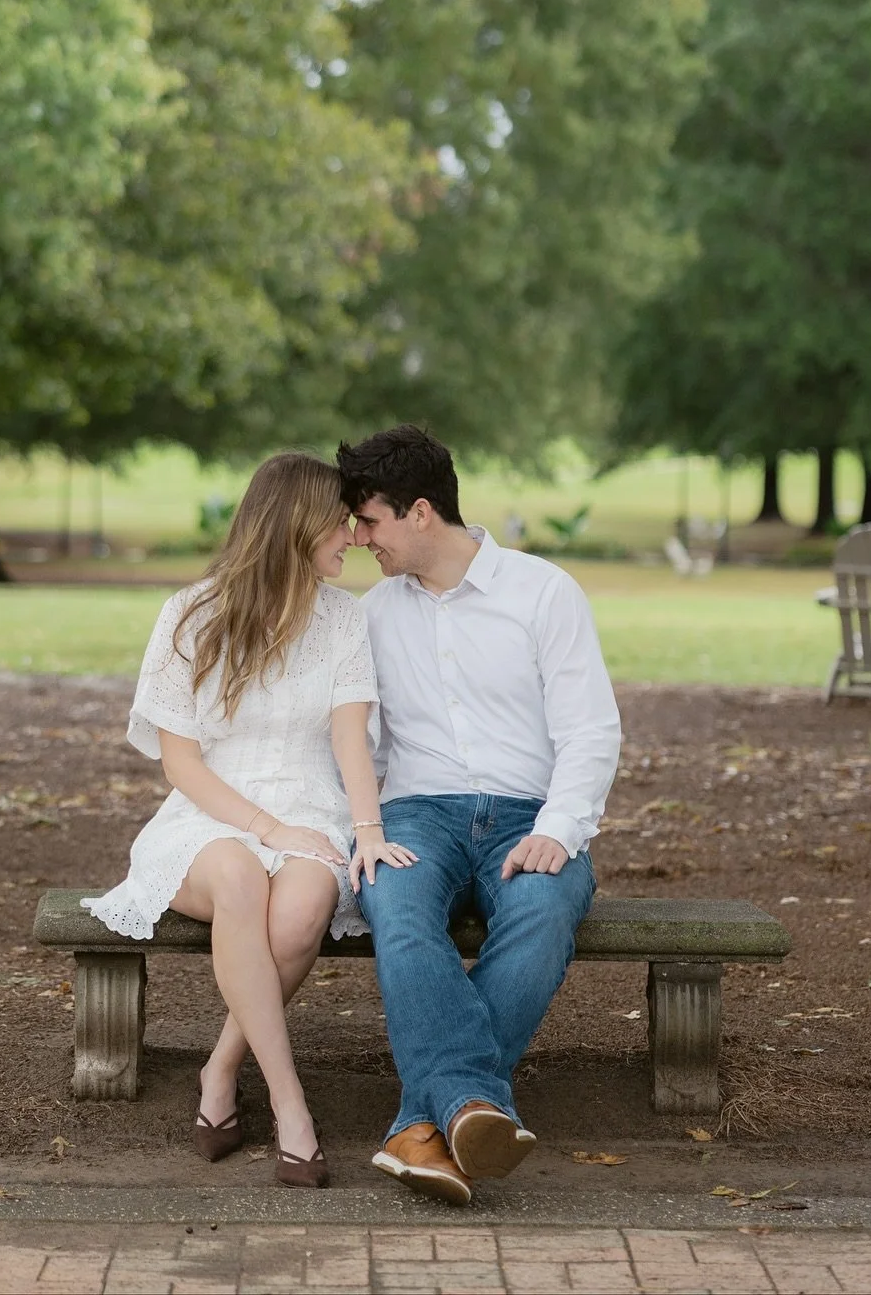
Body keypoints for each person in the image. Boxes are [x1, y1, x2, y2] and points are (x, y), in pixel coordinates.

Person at [84, 452, 413, 1188]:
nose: (354, 537)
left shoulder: (342, 620)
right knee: (238, 877)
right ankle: (292, 1105)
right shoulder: (191, 615)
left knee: (300, 913)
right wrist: (268, 829)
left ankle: (221, 1071)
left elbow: (349, 740)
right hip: (208, 817)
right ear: (298, 526)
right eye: (341, 522)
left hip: (312, 810)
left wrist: (367, 833)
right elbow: (183, 765)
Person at [337, 424, 621, 1206]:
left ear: (420, 512)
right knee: (392, 903)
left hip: (527, 813)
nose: (359, 539)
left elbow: (590, 729)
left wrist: (558, 830)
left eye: (370, 521)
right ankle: (469, 1107)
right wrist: (364, 828)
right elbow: (359, 742)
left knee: (544, 906)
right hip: (417, 815)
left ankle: (424, 1124)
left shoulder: (543, 592)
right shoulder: (372, 614)